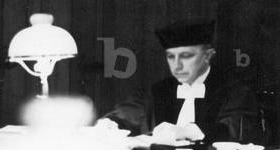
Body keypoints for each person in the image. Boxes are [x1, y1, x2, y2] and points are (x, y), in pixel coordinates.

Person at [97, 18, 259, 143]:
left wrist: (188, 132)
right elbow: (128, 113)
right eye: (171, 57)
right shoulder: (160, 90)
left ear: (207, 56)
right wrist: (110, 123)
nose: (177, 65)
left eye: (186, 56)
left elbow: (236, 127)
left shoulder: (233, 91)